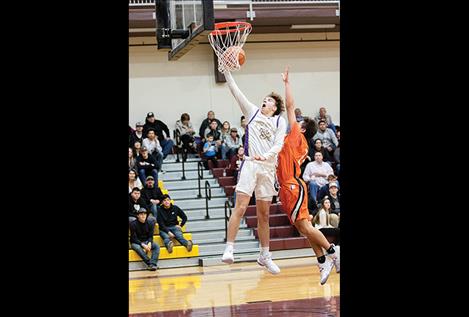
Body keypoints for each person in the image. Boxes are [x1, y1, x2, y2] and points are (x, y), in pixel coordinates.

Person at [276, 66, 340, 284]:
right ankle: (322, 259)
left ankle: (332, 252)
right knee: (305, 228)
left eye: (299, 122)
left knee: (305, 227)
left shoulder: (296, 135)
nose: (295, 121)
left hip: (293, 185)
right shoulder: (299, 140)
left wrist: (286, 84)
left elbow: (290, 106)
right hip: (288, 186)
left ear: (302, 128)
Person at [221, 67, 287, 275]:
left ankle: (265, 255)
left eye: (269, 100)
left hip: (268, 168)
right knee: (240, 207)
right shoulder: (252, 112)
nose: (264, 101)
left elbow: (278, 145)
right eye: (264, 99)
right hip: (250, 165)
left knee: (264, 214)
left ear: (275, 107)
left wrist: (266, 156)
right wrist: (226, 72)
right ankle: (229, 247)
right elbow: (235, 90)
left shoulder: (279, 121)